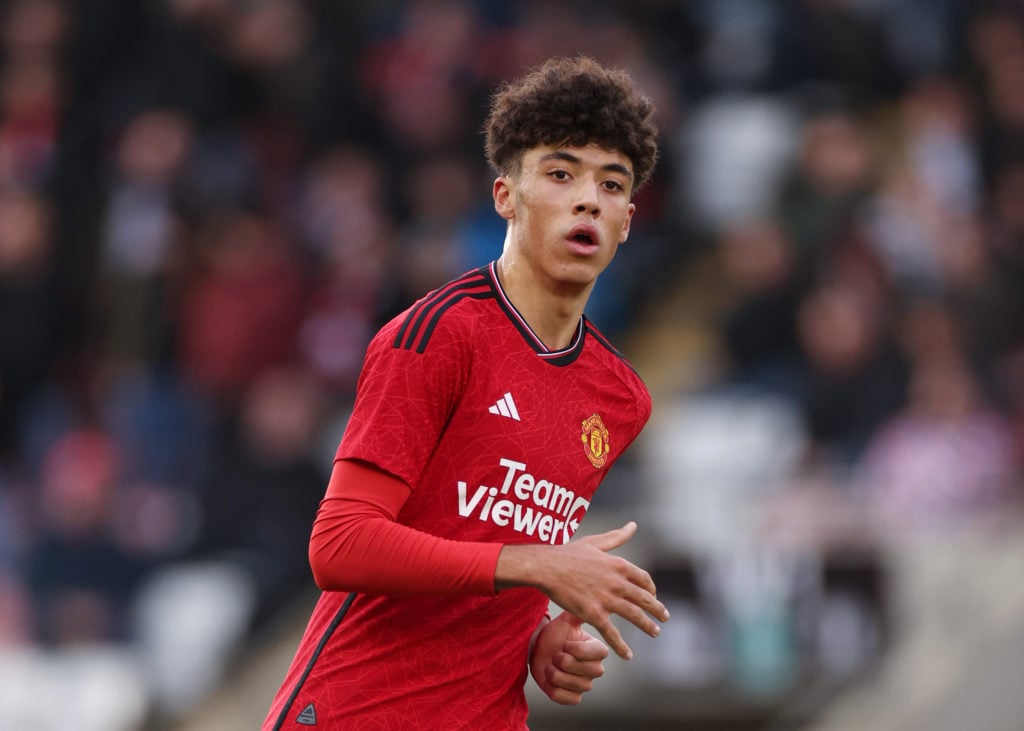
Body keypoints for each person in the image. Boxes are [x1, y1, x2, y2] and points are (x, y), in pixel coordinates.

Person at [263, 55, 668, 731]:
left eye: (612, 183)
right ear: (506, 195)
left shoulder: (621, 396)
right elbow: (339, 545)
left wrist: (539, 637)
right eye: (561, 173)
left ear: (627, 219)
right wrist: (538, 564)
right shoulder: (435, 335)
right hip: (356, 713)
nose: (588, 198)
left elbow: (488, 543)